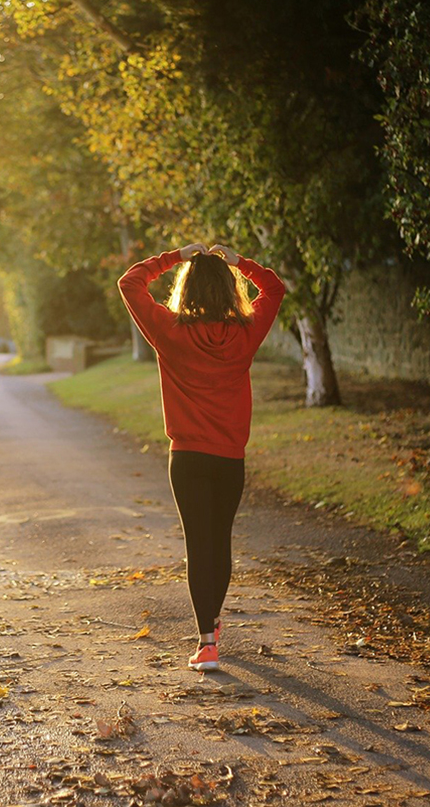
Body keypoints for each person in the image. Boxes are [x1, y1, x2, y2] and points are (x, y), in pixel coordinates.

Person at [117, 242, 285, 671]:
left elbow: (130, 283)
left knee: (198, 544)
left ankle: (207, 641)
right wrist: (239, 262)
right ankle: (211, 624)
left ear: (186, 290)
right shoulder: (246, 333)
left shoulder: (169, 331)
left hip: (187, 458)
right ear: (230, 291)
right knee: (220, 541)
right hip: (230, 458)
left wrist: (175, 256)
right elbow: (275, 288)